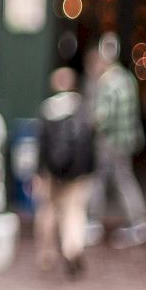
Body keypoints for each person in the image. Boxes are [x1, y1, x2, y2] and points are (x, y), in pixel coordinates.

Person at [86, 38, 146, 248]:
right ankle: (138, 223)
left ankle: (95, 223)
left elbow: (102, 117)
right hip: (126, 140)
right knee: (123, 178)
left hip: (109, 141)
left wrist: (89, 123)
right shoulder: (127, 78)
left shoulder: (107, 81)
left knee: (102, 180)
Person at [34, 66, 97, 276]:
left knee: (49, 210)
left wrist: (40, 172)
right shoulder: (82, 108)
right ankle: (72, 248)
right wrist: (89, 169)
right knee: (74, 211)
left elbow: (41, 145)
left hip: (53, 172)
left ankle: (46, 254)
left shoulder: (47, 109)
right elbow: (90, 142)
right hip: (77, 173)